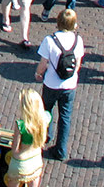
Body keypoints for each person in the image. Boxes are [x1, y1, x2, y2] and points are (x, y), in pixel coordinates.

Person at [1, 88, 49, 187]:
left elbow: (15, 150)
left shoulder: (21, 125)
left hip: (20, 164)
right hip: (36, 161)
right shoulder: (45, 118)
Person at [34, 9, 82, 160]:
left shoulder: (50, 40)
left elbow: (43, 63)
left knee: (46, 111)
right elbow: (78, 64)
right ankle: (61, 150)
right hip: (69, 85)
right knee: (65, 116)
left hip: (51, 84)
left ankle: (45, 137)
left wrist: (38, 74)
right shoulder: (77, 40)